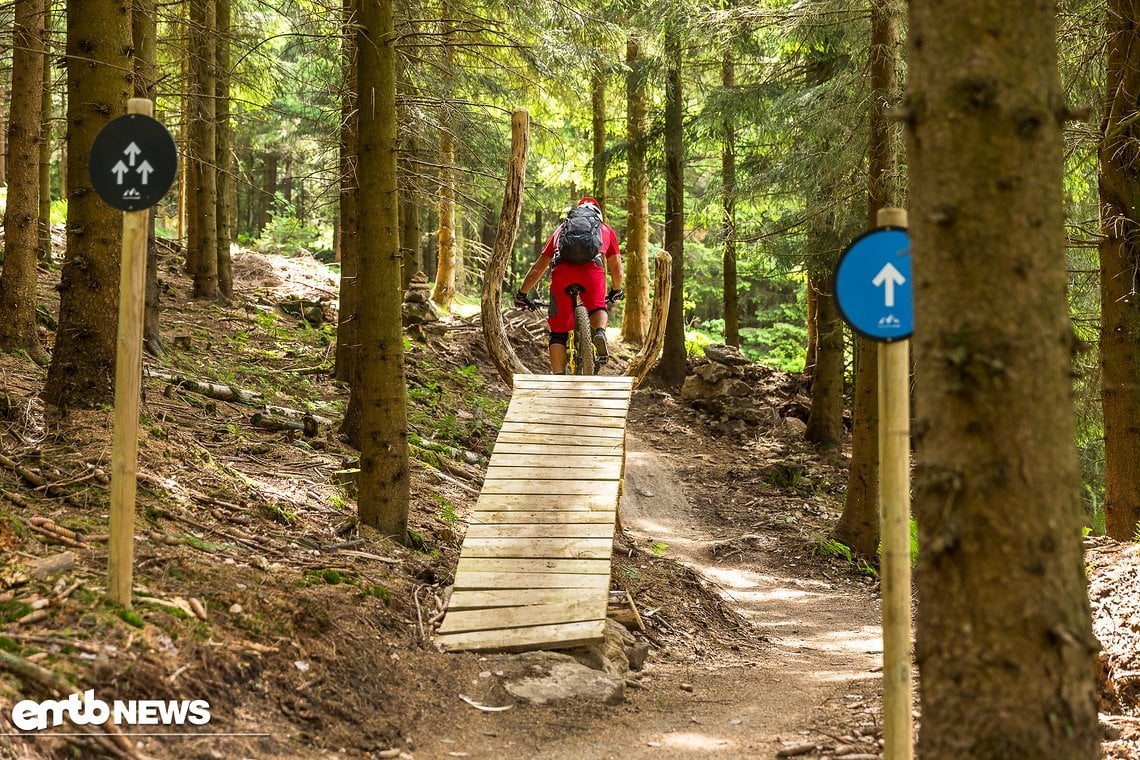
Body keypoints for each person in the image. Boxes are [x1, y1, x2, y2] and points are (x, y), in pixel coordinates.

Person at [515, 197, 623, 374]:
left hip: (562, 274)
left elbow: (537, 268)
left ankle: (559, 377)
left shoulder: (561, 230)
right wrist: (616, 290)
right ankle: (600, 333)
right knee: (597, 308)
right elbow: (617, 269)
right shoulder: (605, 230)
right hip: (592, 273)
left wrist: (522, 294)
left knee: (558, 333)